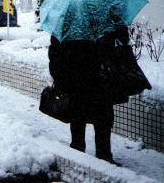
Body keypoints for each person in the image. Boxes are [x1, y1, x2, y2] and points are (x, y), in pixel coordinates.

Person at [48, 25, 130, 166]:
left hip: (83, 80)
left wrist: (60, 76)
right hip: (95, 80)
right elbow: (123, 42)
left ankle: (80, 154)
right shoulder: (105, 18)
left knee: (82, 117)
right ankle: (101, 155)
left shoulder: (68, 21)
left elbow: (54, 53)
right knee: (99, 118)